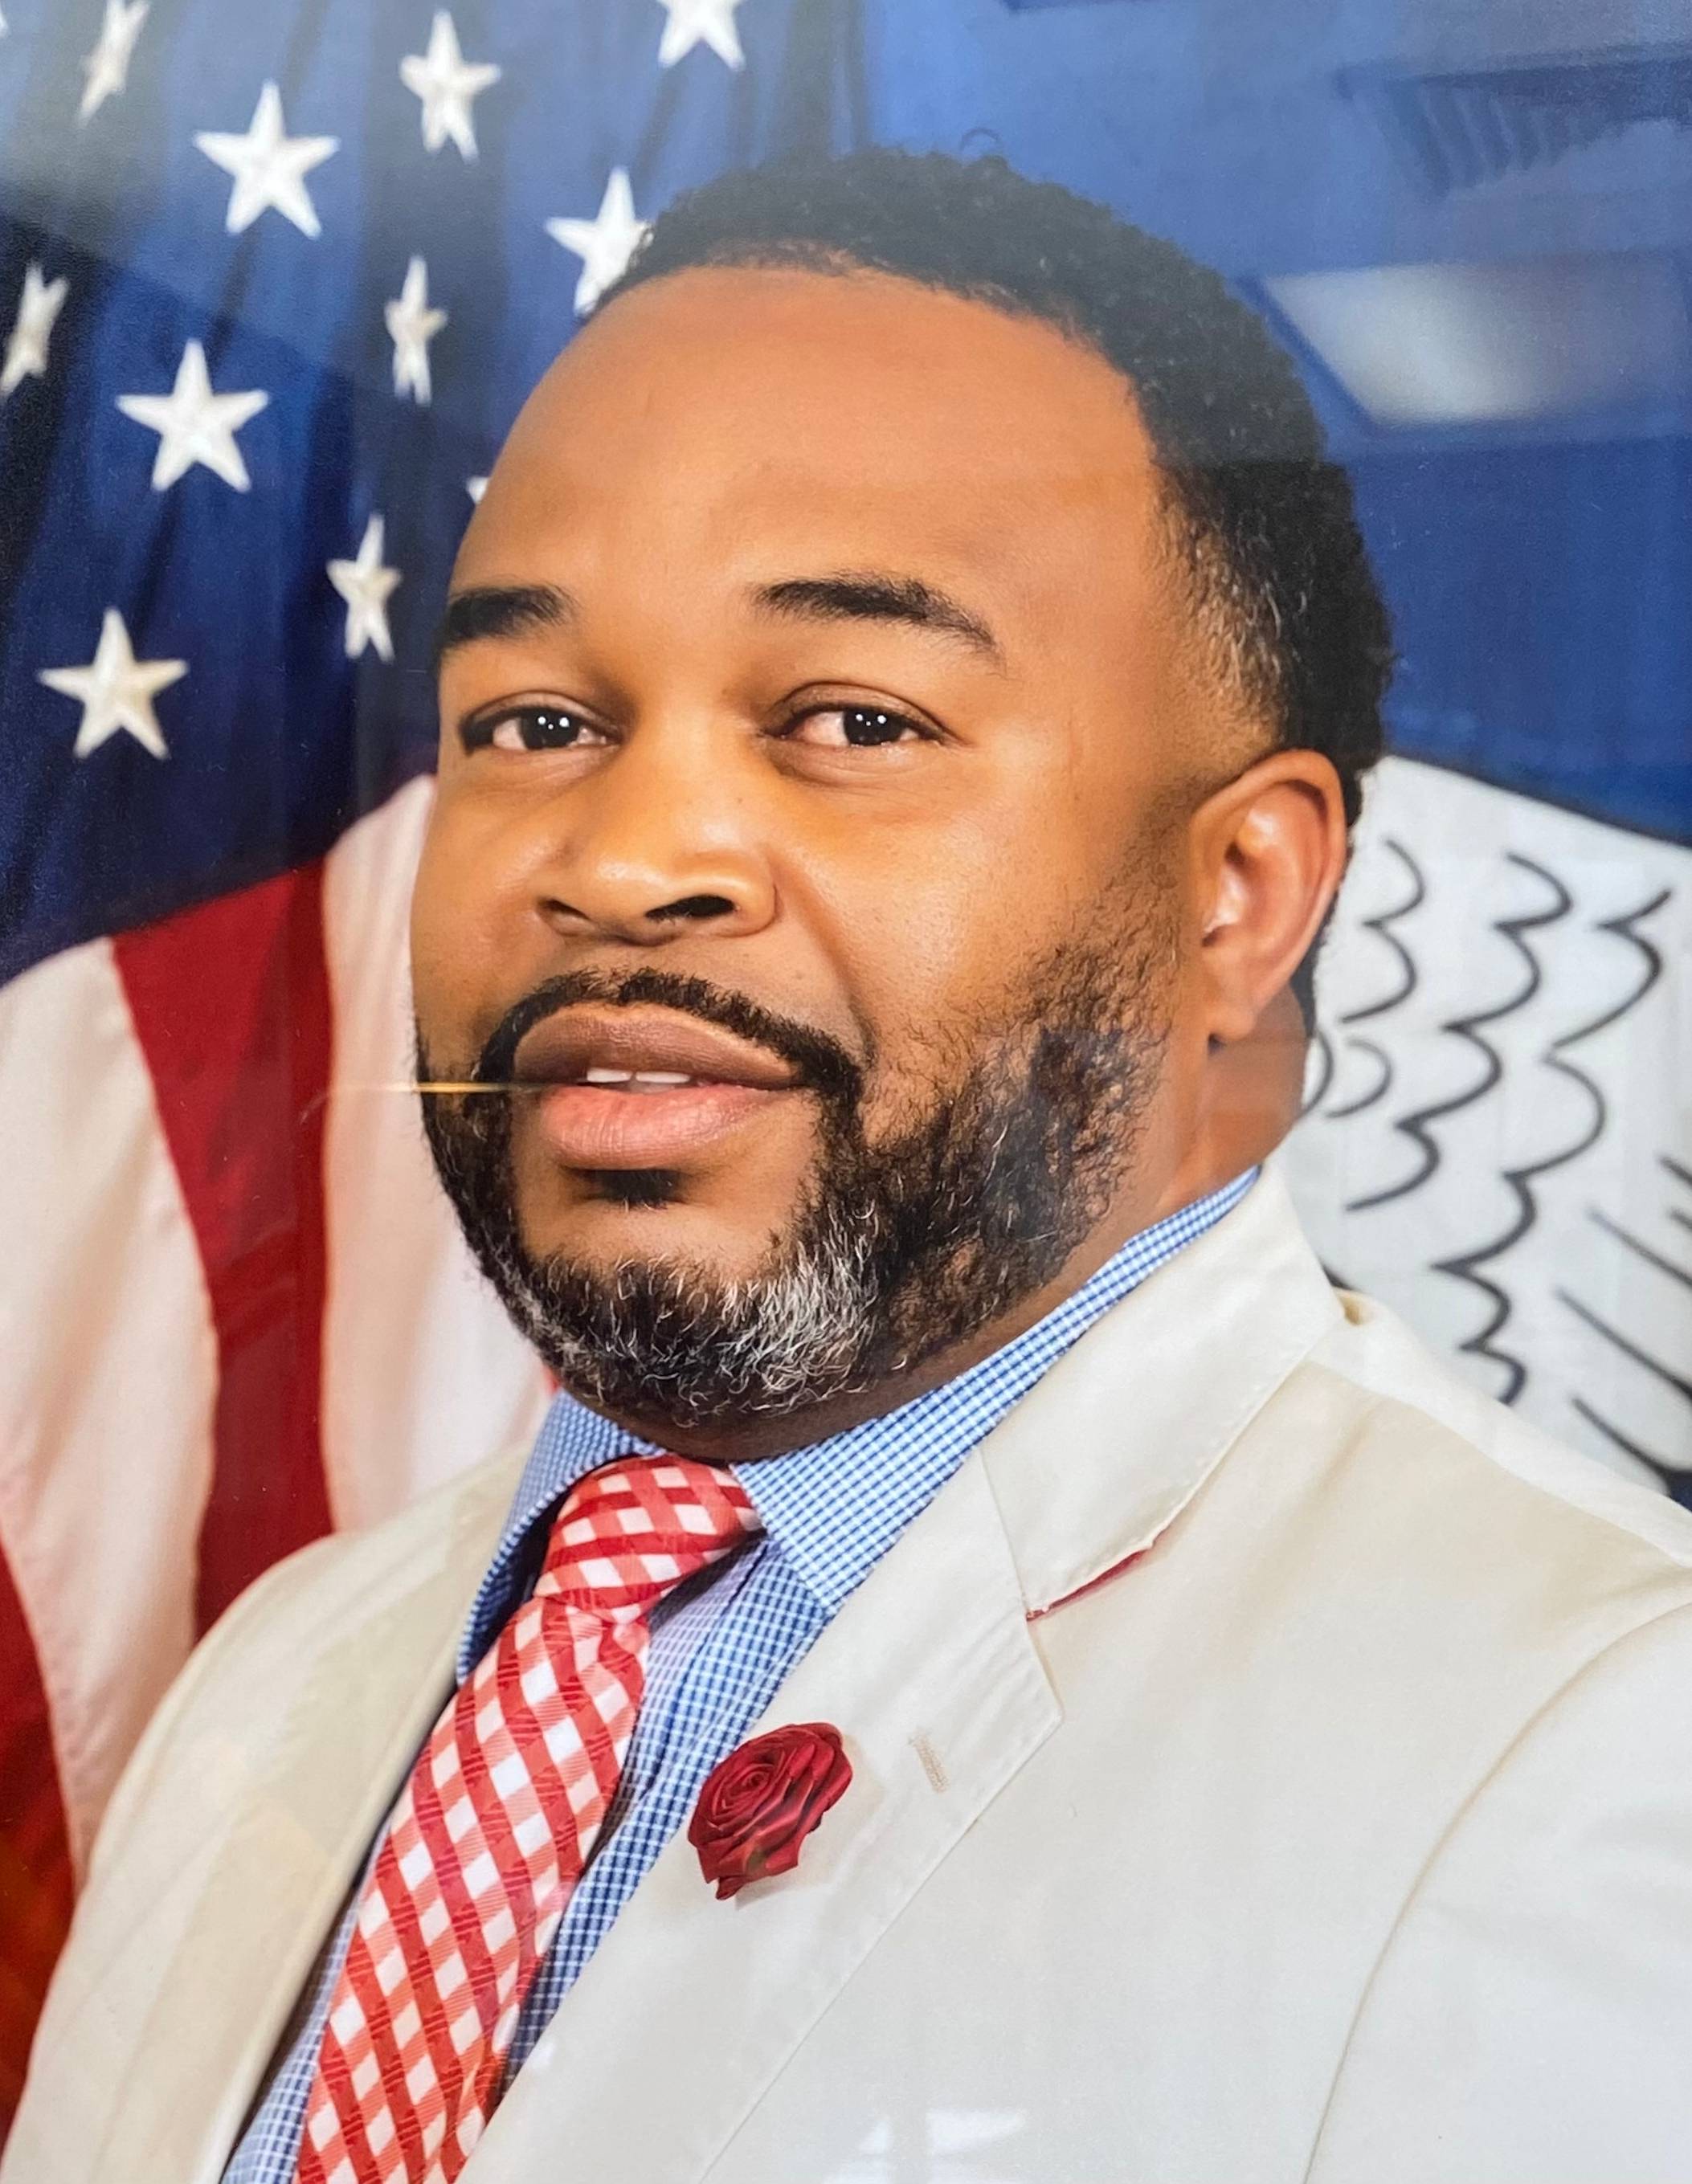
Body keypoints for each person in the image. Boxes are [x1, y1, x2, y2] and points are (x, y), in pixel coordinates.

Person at [10, 148, 1692, 2184]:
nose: (625, 859)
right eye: (533, 718)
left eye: (854, 718)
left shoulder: (1597, 1756)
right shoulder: (280, 1672)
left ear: (1239, 891)